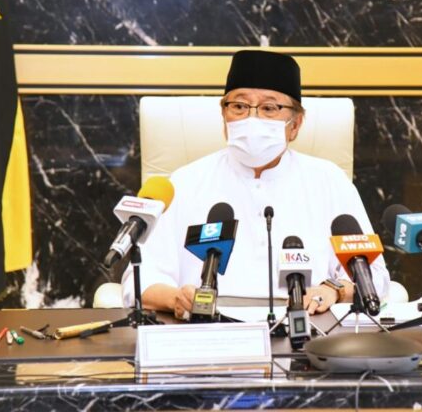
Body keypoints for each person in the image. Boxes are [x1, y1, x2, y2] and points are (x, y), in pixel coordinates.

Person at [122, 50, 389, 319]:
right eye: (239, 106)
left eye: (269, 108)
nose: (252, 119)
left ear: (295, 125)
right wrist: (176, 299)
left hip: (307, 330)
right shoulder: (184, 182)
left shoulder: (329, 181)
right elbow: (138, 281)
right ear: (224, 117)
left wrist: (333, 290)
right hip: (206, 330)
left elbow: (375, 278)